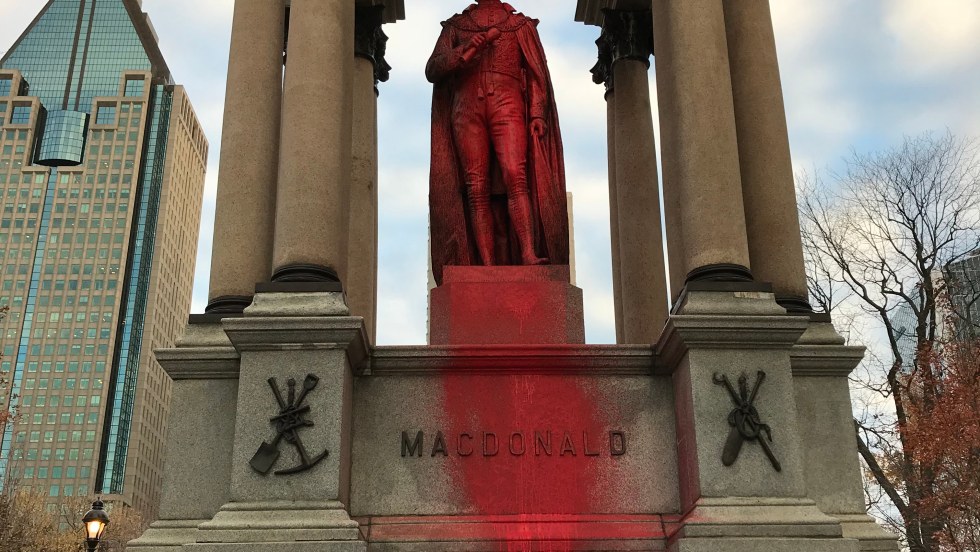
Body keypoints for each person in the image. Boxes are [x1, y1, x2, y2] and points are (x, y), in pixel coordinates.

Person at [427, 0, 569, 285]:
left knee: (516, 176)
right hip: (466, 106)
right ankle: (486, 264)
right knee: (475, 187)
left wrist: (537, 113)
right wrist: (463, 52)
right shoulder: (457, 26)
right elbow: (433, 69)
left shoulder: (519, 25)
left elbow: (536, 73)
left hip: (508, 101)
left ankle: (528, 253)